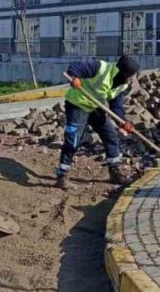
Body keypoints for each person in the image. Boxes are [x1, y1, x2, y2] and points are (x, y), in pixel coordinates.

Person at [54, 55, 140, 190]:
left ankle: (114, 171)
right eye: (132, 75)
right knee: (73, 139)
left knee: (110, 135)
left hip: (95, 107)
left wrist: (123, 122)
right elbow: (77, 66)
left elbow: (116, 106)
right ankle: (62, 176)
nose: (133, 79)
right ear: (124, 72)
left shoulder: (122, 84)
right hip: (77, 104)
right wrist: (75, 77)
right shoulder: (101, 68)